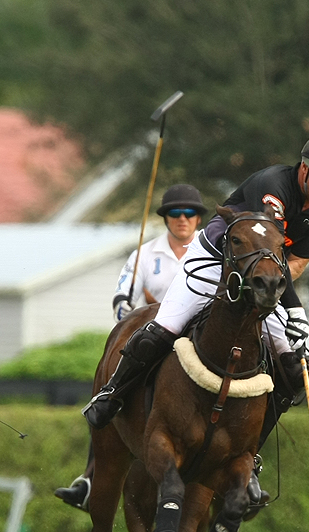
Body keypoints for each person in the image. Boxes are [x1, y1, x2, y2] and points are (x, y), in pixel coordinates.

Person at [80, 131, 309, 508]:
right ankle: (111, 395)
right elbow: (264, 248)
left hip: (265, 279)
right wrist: (293, 309)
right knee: (164, 328)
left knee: (296, 369)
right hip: (214, 261)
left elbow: (294, 262)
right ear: (306, 168)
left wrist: (284, 306)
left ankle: (249, 457)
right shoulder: (272, 188)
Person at [55, 184, 208, 510]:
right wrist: (135, 319)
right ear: (166, 218)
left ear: (198, 218)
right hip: (157, 343)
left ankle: (248, 471)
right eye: (175, 214)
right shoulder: (145, 255)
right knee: (113, 390)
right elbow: (122, 300)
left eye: (190, 213)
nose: (183, 219)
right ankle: (89, 479)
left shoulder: (212, 249)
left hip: (200, 345)